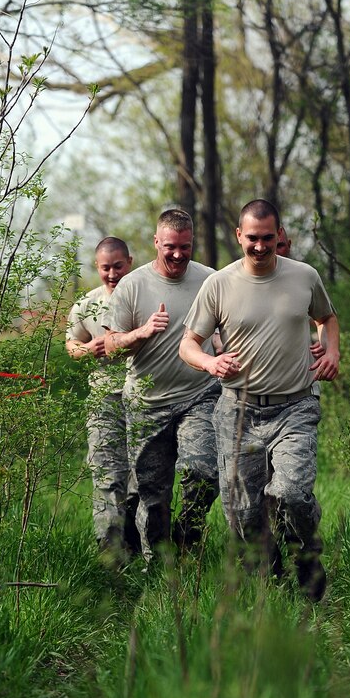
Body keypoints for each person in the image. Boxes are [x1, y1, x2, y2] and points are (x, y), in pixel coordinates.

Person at [179, 199, 340, 601]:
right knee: (242, 514)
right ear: (239, 236)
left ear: (280, 235)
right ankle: (268, 573)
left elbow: (327, 318)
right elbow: (188, 345)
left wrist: (331, 350)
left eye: (269, 238)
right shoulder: (219, 284)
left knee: (290, 492)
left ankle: (308, 554)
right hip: (239, 410)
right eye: (252, 238)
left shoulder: (304, 276)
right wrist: (210, 364)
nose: (260, 246)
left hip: (296, 406)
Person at [103, 209, 221, 561]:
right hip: (146, 403)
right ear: (156, 242)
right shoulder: (133, 285)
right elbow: (110, 346)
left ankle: (187, 537)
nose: (178, 254)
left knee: (204, 471)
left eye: (185, 247)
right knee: (152, 495)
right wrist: (142, 332)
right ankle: (158, 569)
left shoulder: (211, 280)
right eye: (170, 246)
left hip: (199, 395)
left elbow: (227, 330)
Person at [66, 236, 141, 564]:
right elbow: (70, 344)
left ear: (130, 262)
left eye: (118, 266)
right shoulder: (86, 305)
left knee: (141, 478)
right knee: (108, 475)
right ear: (97, 267)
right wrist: (87, 349)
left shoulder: (144, 295)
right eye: (105, 268)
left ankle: (138, 545)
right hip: (103, 400)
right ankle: (109, 554)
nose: (112, 273)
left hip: (141, 397)